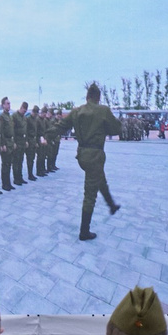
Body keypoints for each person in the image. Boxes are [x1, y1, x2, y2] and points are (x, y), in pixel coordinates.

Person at [67, 84, 123, 242]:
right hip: (94, 156)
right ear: (98, 98)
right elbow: (116, 129)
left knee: (100, 179)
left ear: (87, 97)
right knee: (90, 195)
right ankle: (84, 231)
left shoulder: (77, 111)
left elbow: (61, 126)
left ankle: (111, 205)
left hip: (82, 155)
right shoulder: (102, 110)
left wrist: (47, 136)